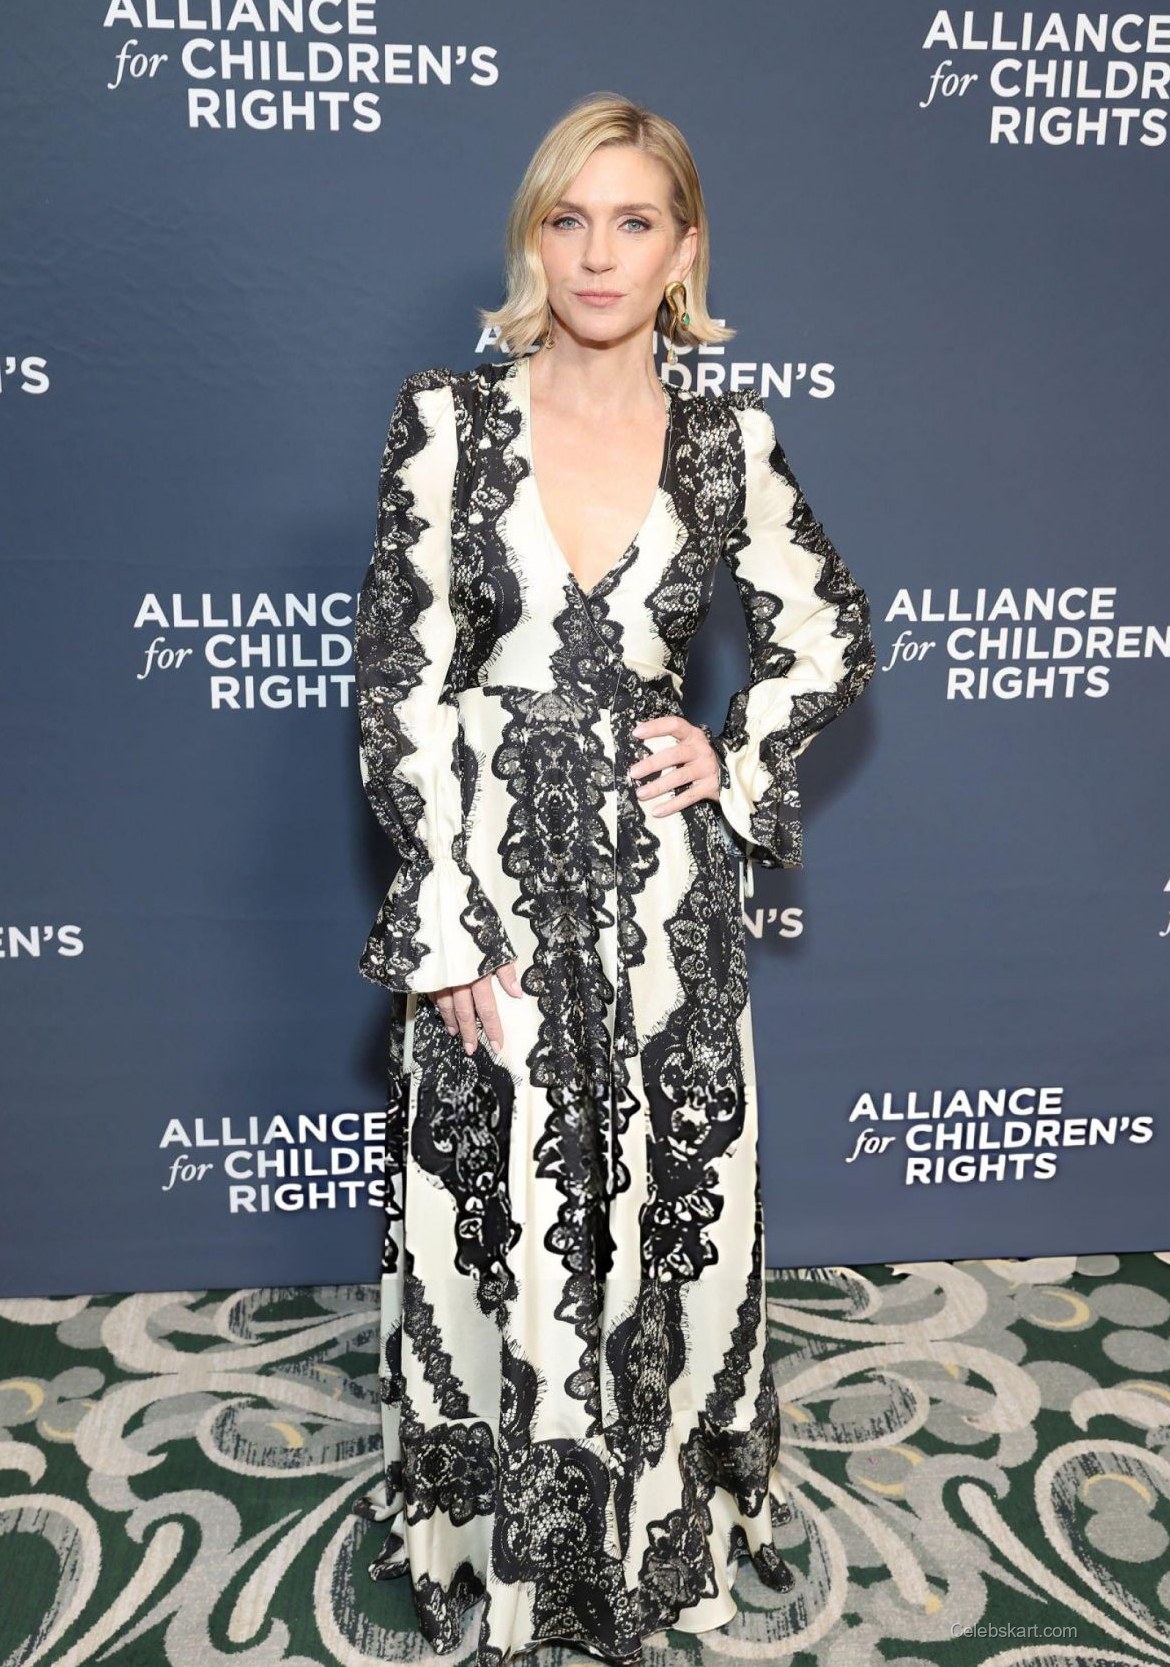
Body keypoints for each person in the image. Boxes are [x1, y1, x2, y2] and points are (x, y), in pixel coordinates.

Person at [350, 90, 876, 1667]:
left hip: (664, 903)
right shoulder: (447, 420)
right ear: (533, 238)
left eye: (632, 221)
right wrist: (444, 918)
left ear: (682, 250)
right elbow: (399, 681)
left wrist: (732, 750)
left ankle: (658, 1519)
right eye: (567, 219)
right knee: (496, 1199)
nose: (596, 253)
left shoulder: (728, 440)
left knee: (664, 1200)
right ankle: (491, 1534)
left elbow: (827, 631)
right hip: (492, 886)